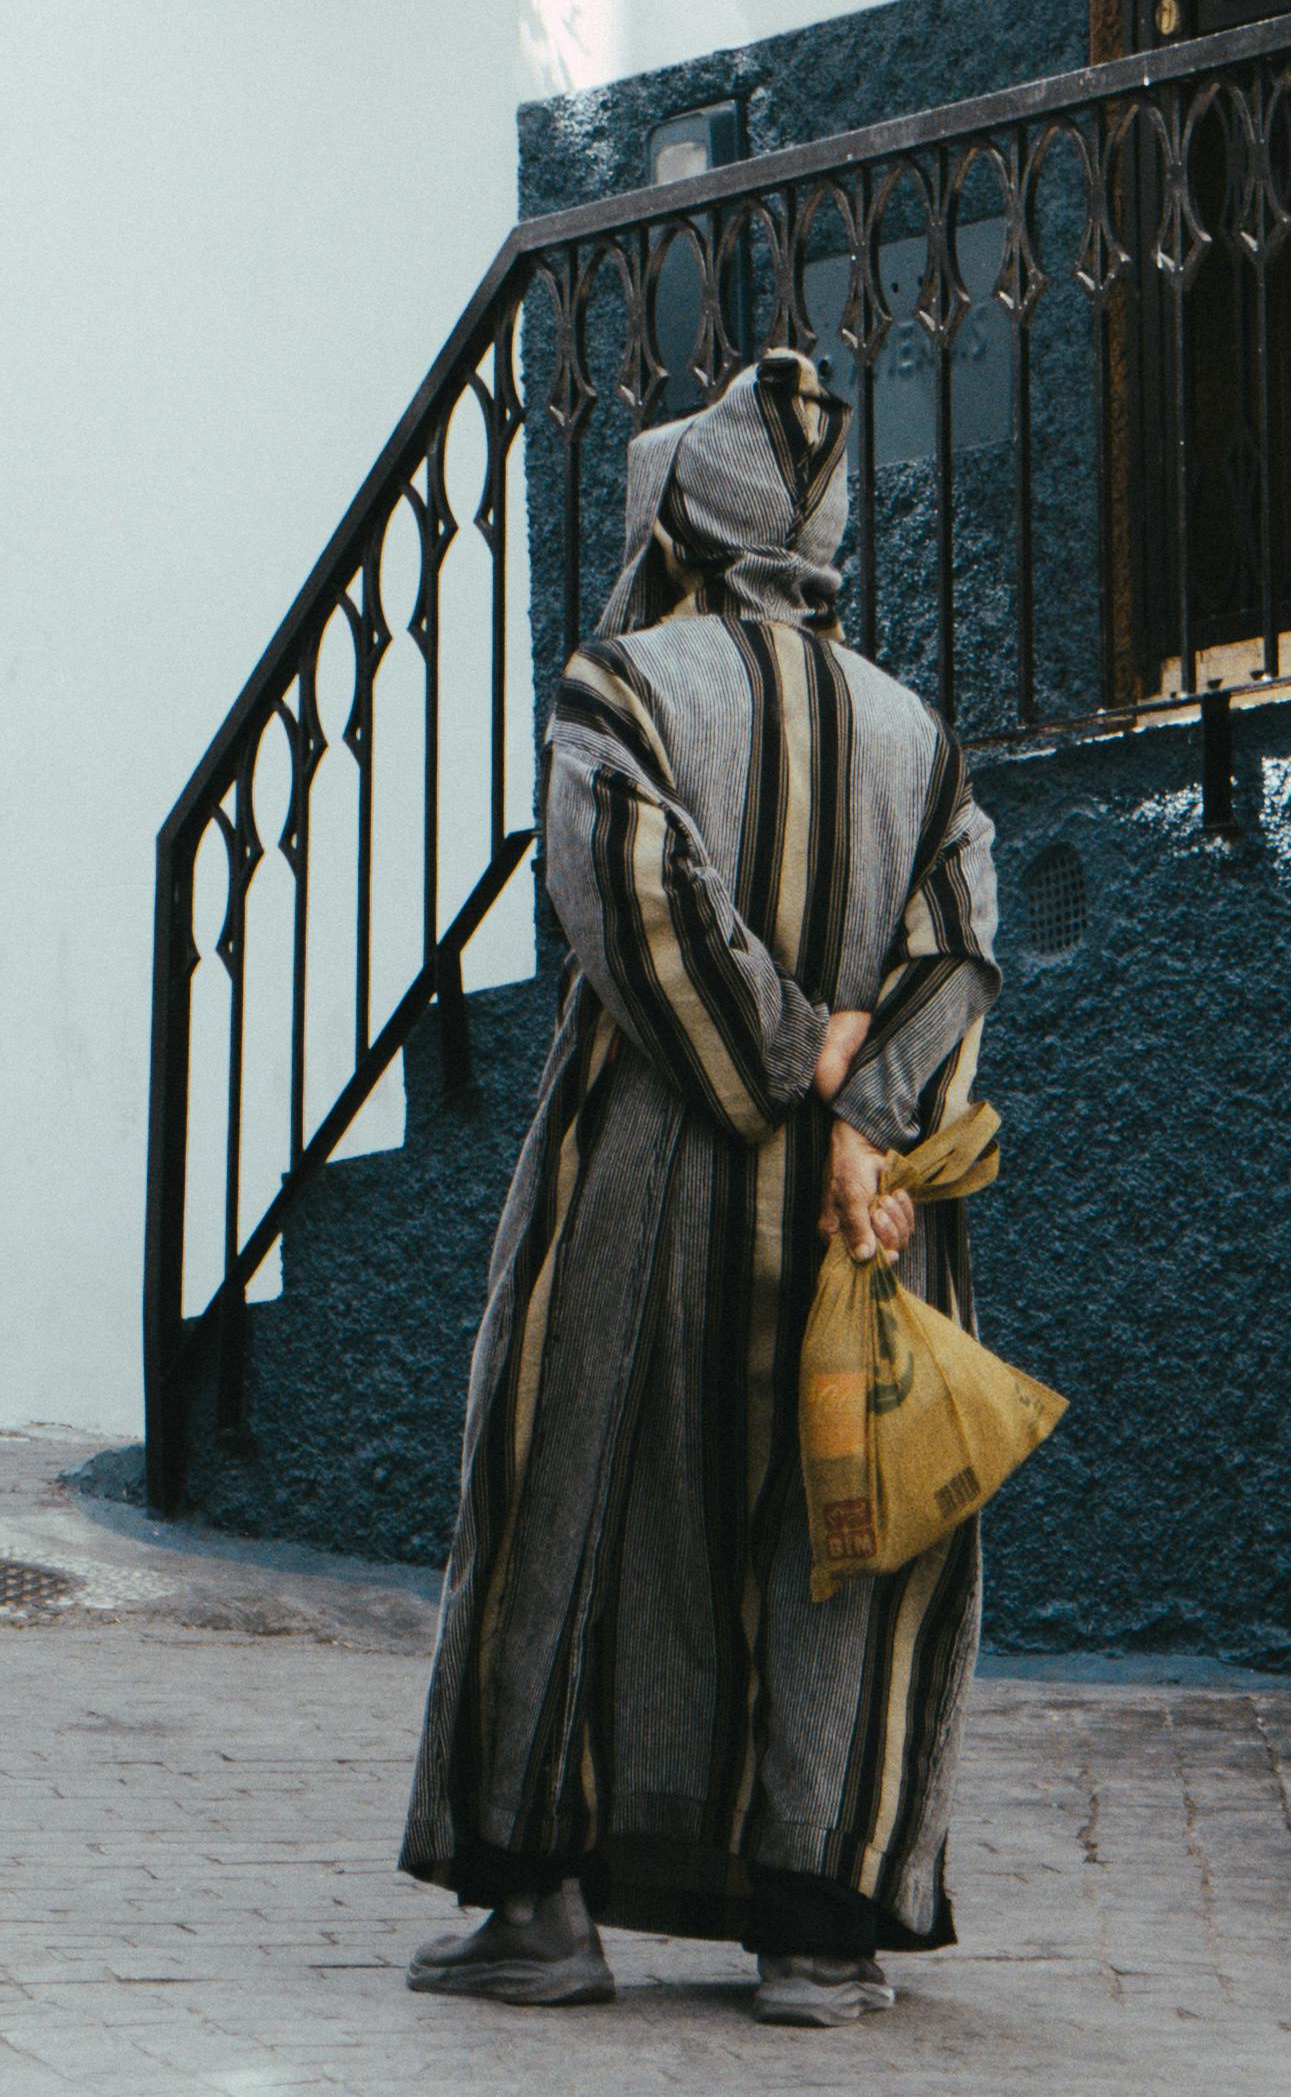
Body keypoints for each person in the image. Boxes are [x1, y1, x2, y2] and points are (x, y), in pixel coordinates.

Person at [400, 348, 1000, 2026]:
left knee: (565, 1495)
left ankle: (541, 1905)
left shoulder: (624, 687)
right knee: (840, 1533)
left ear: (685, 516)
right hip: (868, 1215)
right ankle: (817, 1935)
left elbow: (633, 893)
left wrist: (790, 1052)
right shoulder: (920, 734)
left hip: (649, 1179)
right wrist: (865, 1115)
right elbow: (963, 950)